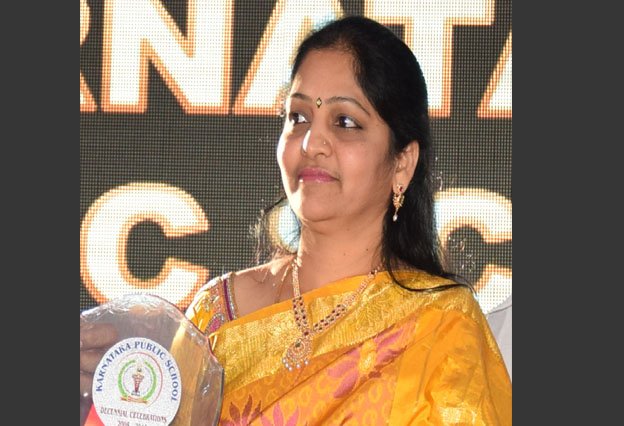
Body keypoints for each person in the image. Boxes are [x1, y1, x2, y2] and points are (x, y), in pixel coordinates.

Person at [81, 15, 512, 425]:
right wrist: (96, 403)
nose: (312, 143)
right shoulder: (219, 314)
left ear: (402, 163)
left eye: (345, 122)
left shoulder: (441, 326)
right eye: (298, 117)